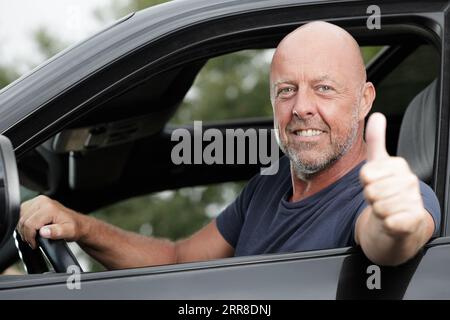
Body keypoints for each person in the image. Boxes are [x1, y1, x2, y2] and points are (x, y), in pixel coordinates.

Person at [18, 21, 440, 269]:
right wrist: (78, 225)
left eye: (325, 88)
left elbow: (392, 239)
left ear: (365, 99)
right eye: (287, 90)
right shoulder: (269, 185)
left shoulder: (386, 200)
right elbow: (178, 260)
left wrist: (397, 222)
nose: (301, 108)